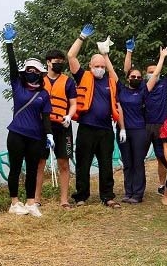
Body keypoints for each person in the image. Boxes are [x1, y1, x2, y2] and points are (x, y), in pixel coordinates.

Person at [67, 24, 124, 208]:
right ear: (90, 66)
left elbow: (116, 78)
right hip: (86, 127)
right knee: (83, 163)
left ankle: (107, 196)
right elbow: (71, 56)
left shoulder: (110, 81)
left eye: (102, 66)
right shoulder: (83, 76)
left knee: (106, 164)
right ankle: (81, 196)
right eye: (96, 66)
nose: (99, 68)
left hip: (106, 129)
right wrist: (82, 37)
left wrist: (105, 55)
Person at [2, 24, 52, 217]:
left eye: (35, 70)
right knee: (15, 168)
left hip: (36, 136)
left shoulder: (44, 94)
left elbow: (46, 116)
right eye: (29, 70)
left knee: (32, 169)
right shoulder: (18, 86)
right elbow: (12, 67)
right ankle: (14, 202)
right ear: (25, 72)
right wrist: (9, 43)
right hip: (16, 134)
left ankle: (31, 203)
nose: (32, 72)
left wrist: (49, 135)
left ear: (40, 74)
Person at [123, 35, 167, 196]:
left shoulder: (164, 83)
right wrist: (129, 51)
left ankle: (163, 186)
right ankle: (136, 187)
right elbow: (127, 71)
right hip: (143, 126)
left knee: (162, 156)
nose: (152, 73)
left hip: (162, 125)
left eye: (155, 71)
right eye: (149, 72)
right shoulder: (142, 85)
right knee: (138, 157)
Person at [117, 44, 167, 203]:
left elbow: (155, 75)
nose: (136, 79)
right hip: (123, 131)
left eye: (139, 77)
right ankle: (128, 192)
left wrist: (162, 58)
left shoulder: (143, 90)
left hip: (139, 130)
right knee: (127, 162)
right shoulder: (121, 90)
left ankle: (138, 194)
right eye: (133, 77)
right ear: (128, 78)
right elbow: (119, 71)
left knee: (138, 162)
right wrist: (128, 52)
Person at [35, 49, 77, 210]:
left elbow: (73, 103)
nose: (58, 63)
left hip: (62, 125)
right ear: (48, 62)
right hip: (42, 126)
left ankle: (64, 200)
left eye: (61, 61)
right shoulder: (39, 80)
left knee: (64, 163)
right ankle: (36, 199)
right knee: (40, 162)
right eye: (56, 61)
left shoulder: (68, 82)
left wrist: (69, 116)